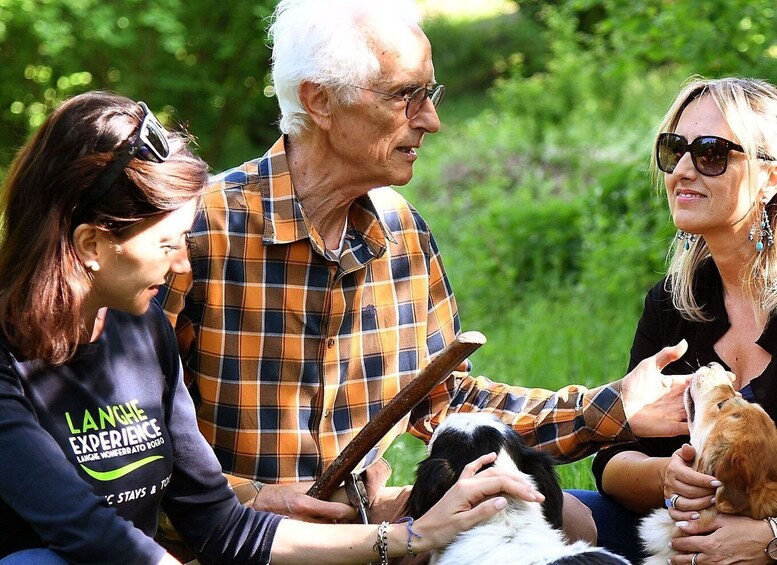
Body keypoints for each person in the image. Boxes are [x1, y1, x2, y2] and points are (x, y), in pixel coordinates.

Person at [158, 0, 690, 546]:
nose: (431, 120)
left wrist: (617, 405)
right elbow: (127, 438)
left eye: (428, 94)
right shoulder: (195, 232)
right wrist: (249, 498)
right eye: (401, 96)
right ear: (319, 100)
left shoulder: (400, 232)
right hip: (224, 539)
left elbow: (446, 403)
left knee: (573, 525)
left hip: (364, 539)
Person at [0, 90, 544, 564]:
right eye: (168, 245)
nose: (182, 266)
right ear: (92, 244)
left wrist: (408, 536)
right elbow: (78, 525)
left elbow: (222, 526)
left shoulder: (140, 334)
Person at [580, 76, 777, 564]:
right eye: (674, 149)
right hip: (677, 534)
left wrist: (771, 539)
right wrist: (667, 476)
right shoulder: (674, 302)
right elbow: (612, 461)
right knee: (526, 509)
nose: (684, 170)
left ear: (770, 177)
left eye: (711, 153)